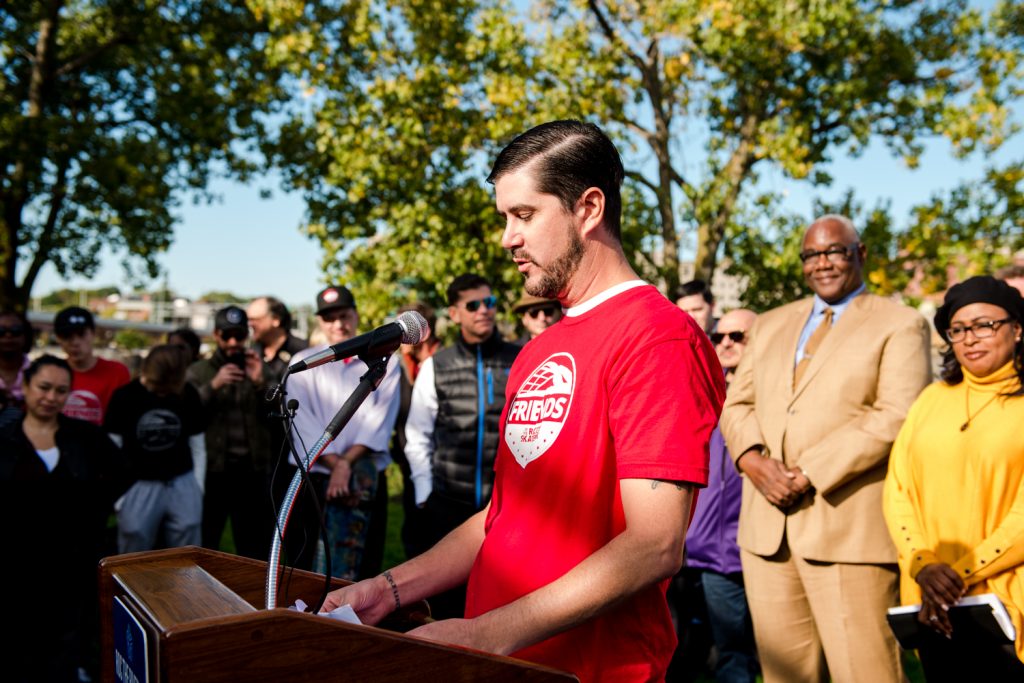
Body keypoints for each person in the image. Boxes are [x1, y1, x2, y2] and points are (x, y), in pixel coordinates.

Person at [323, 120, 725, 682]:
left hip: (590, 668)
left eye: (524, 215)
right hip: (499, 660)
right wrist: (387, 590)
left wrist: (485, 633)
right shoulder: (543, 347)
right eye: (504, 218)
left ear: (588, 208)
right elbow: (502, 517)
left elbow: (655, 544)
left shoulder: (658, 336)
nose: (507, 238)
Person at [719, 214, 932, 683]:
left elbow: (896, 414)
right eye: (812, 255)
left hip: (847, 534)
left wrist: (807, 472)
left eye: (835, 251)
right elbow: (737, 403)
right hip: (767, 538)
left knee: (867, 673)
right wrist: (752, 462)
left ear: (861, 254)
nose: (823, 263)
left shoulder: (900, 324)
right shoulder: (772, 323)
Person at [884, 275, 1024, 680]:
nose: (970, 338)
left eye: (985, 325)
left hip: (1006, 602)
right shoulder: (932, 399)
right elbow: (899, 490)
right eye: (958, 329)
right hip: (931, 605)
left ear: (1017, 329)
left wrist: (957, 576)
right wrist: (924, 565)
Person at [0, 355, 130, 683]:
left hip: (73, 561)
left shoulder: (85, 437)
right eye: (44, 387)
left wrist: (95, 511)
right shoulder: (4, 439)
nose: (51, 397)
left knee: (69, 637)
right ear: (26, 387)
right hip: (17, 565)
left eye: (61, 390)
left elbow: (121, 473)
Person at [403, 273, 520, 617]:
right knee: (448, 607)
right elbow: (417, 434)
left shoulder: (523, 357)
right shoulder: (436, 366)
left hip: (506, 505)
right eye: (473, 305)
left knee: (504, 603)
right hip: (448, 504)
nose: (484, 310)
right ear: (454, 314)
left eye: (490, 302)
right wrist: (425, 493)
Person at [280, 286, 400, 578]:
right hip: (316, 476)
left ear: (356, 314)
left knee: (362, 564)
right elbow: (304, 423)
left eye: (343, 315)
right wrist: (336, 464)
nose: (338, 324)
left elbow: (377, 420)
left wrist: (346, 464)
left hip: (363, 476)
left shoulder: (386, 360)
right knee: (305, 563)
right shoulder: (303, 362)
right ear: (320, 322)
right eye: (329, 318)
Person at [675, 308, 760, 683]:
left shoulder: (779, 392)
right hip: (711, 551)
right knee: (730, 656)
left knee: (788, 657)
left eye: (737, 336)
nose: (725, 342)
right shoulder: (702, 388)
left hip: (765, 547)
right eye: (719, 335)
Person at [186, 305, 274, 559]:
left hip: (252, 470)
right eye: (227, 336)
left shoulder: (257, 366)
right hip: (214, 471)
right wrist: (213, 385)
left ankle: (252, 597)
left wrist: (260, 383)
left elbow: (278, 414)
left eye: (239, 335)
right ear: (216, 335)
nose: (234, 342)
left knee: (253, 545)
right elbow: (186, 413)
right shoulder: (199, 371)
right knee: (207, 541)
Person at [106, 344, 206, 553]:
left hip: (181, 479)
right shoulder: (124, 396)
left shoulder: (188, 394)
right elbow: (111, 447)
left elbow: (197, 444)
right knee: (134, 540)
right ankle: (130, 586)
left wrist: (197, 487)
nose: (157, 391)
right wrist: (119, 496)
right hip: (137, 482)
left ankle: (186, 586)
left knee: (188, 541)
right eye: (153, 384)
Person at [389, 302, 441, 560]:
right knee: (414, 533)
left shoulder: (441, 364)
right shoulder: (399, 365)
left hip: (439, 463)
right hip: (407, 458)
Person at [54, 306, 130, 425]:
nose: (75, 342)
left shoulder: (117, 372)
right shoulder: (52, 373)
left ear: (93, 334)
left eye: (81, 334)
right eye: (67, 336)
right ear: (58, 338)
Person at [247, 295, 308, 381]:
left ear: (276, 319)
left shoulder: (304, 351)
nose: (250, 324)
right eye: (249, 320)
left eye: (255, 319)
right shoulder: (251, 354)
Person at [0, 309, 33, 411]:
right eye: (0, 331)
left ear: (26, 336)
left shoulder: (39, 372)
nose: (8, 335)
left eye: (16, 331)